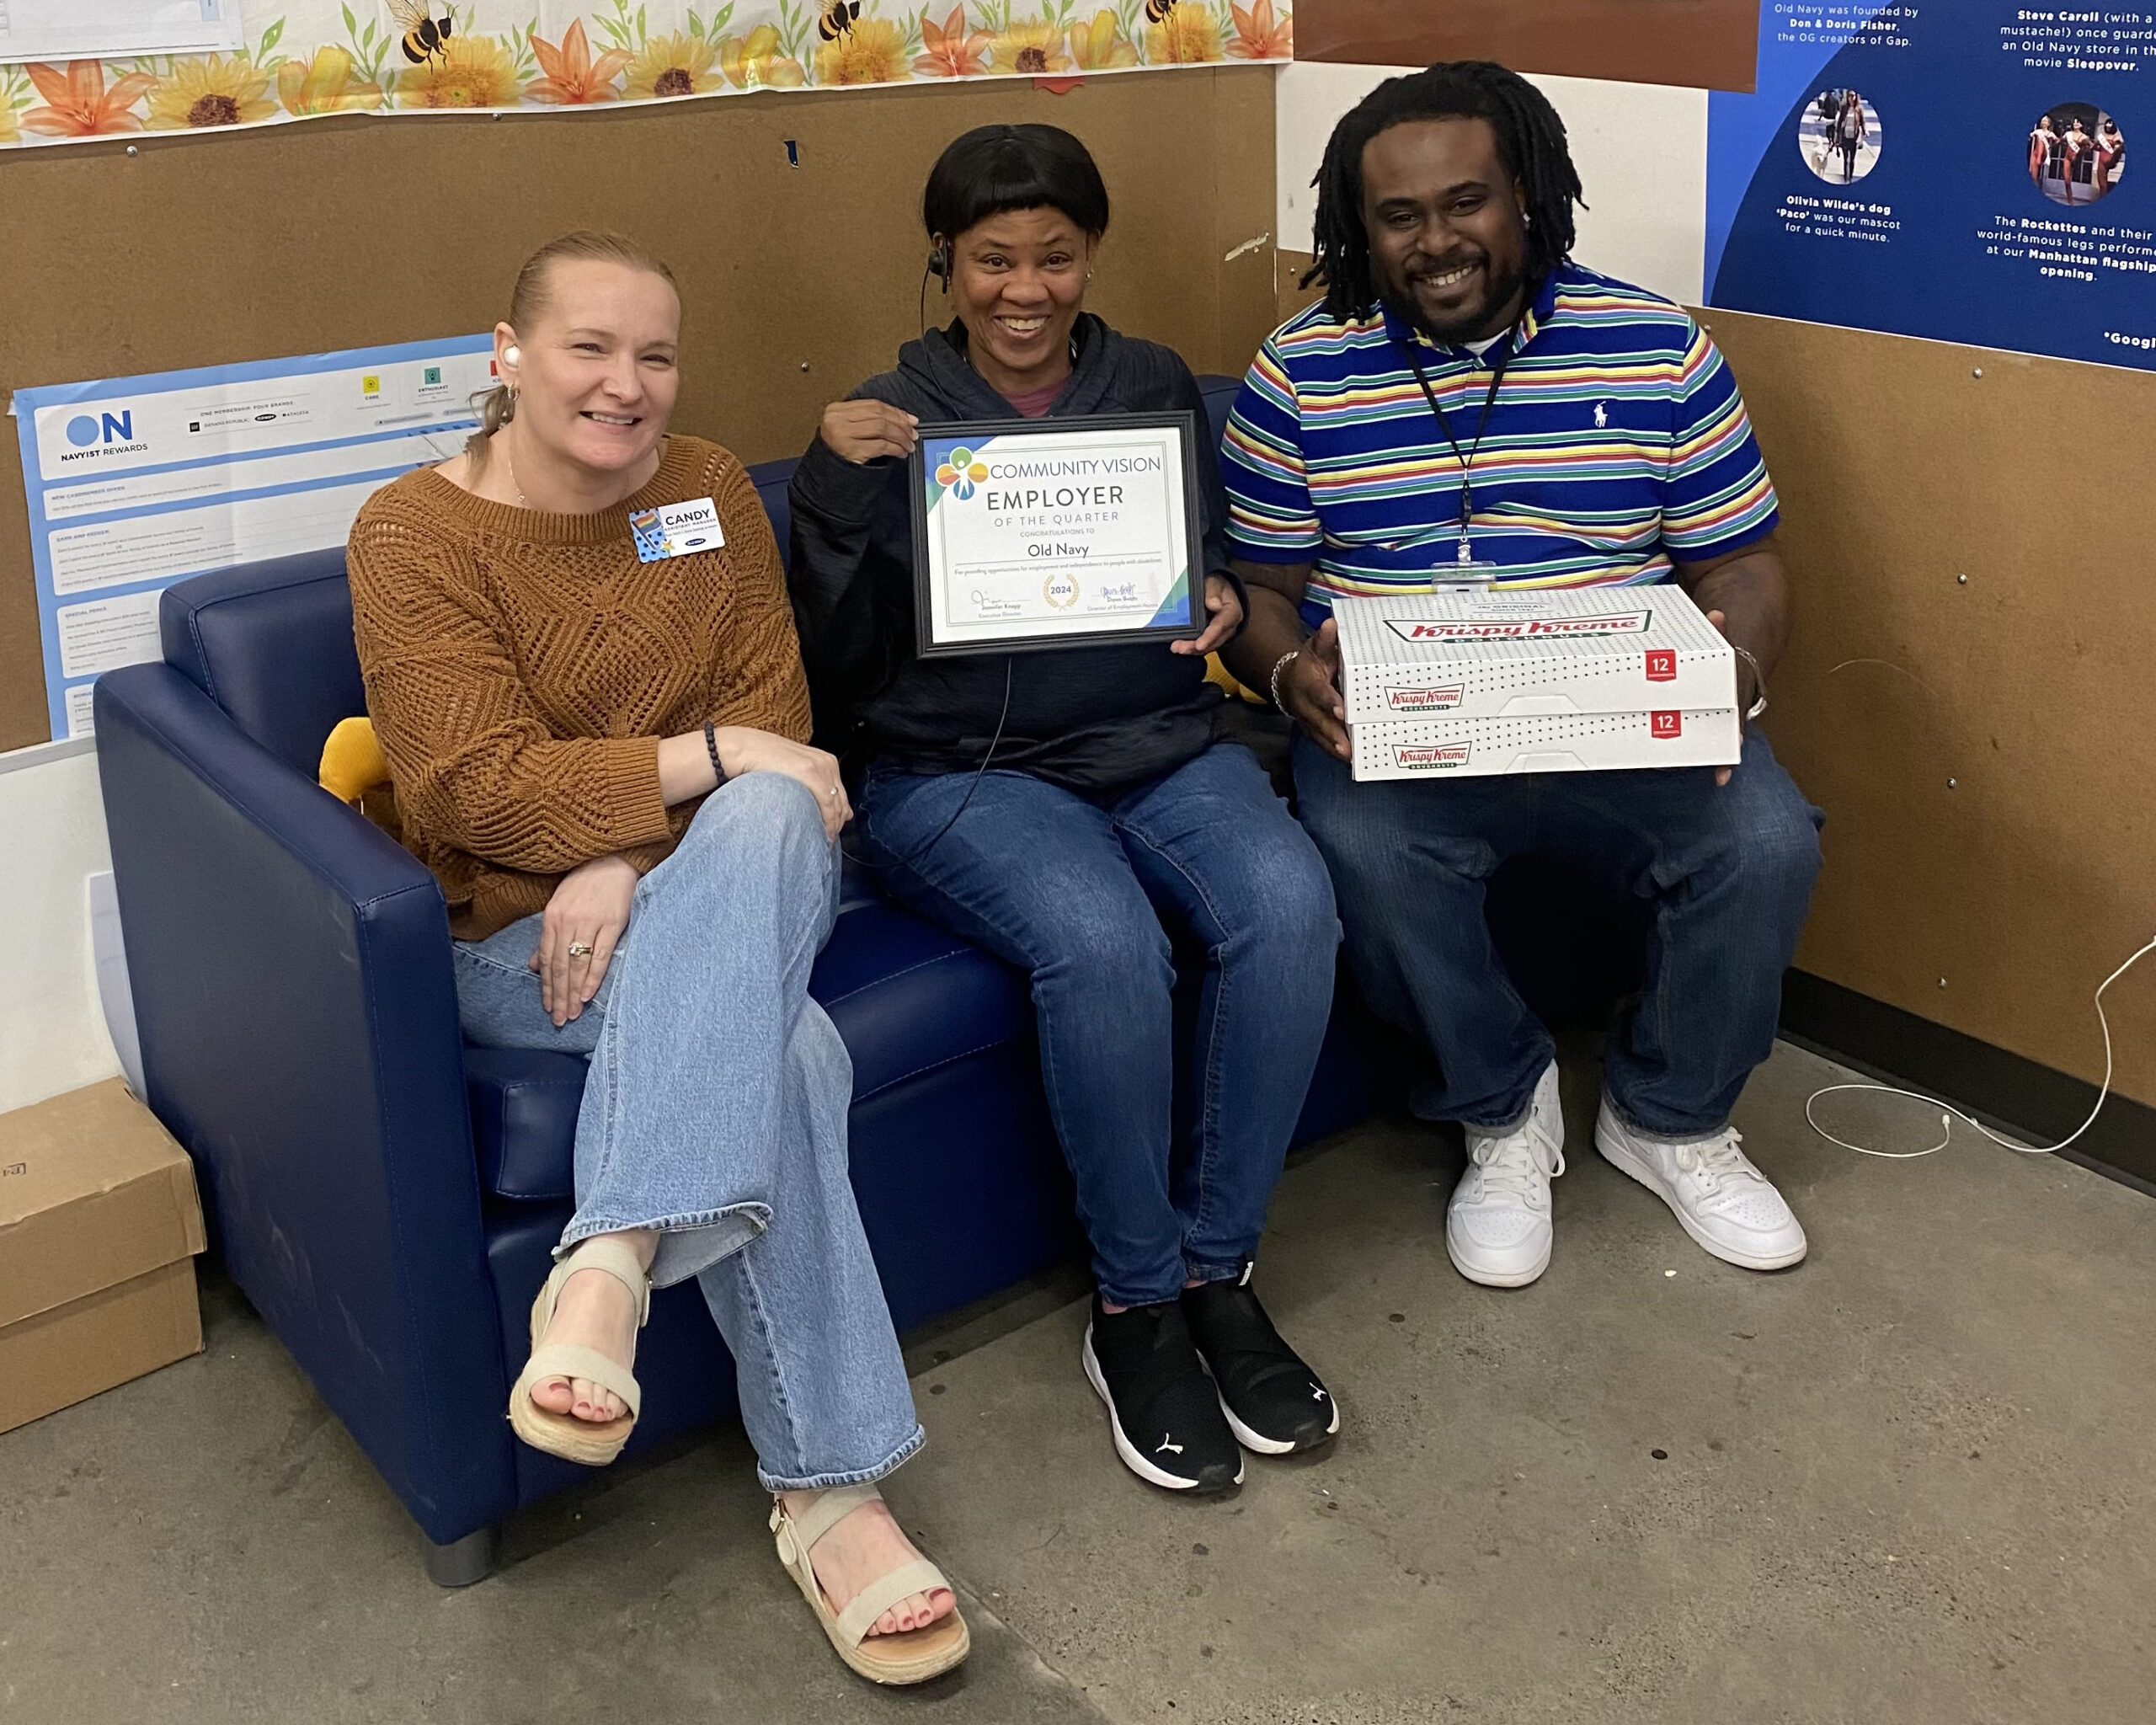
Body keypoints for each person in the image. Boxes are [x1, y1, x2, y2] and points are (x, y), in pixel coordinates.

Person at [346, 231, 967, 1685]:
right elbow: (468, 789)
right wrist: (698, 764)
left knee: (769, 800)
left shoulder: (703, 489)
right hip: (511, 936)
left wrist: (628, 847)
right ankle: (829, 1488)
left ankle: (614, 1251)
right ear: (507, 354)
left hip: (709, 878)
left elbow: (777, 726)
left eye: (657, 355)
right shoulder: (411, 534)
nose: (625, 386)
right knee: (793, 1045)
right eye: (587, 347)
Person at [788, 125, 1343, 1495]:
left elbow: (1198, 572)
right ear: (945, 263)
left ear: (1090, 257)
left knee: (1291, 899)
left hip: (1154, 737)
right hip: (954, 771)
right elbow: (836, 666)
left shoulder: (1148, 380)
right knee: (1102, 940)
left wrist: (1216, 598)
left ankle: (1222, 1265)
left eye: (1054, 255)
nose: (1023, 288)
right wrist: (832, 492)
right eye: (990, 259)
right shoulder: (887, 415)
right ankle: (1135, 1306)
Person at [1219, 63, 1823, 1290]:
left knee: (1766, 839)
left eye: (1468, 202)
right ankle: (1501, 1109)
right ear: (1358, 225)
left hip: (1624, 717)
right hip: (1406, 735)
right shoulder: (1300, 371)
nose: (1436, 241)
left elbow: (1746, 567)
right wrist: (1287, 674)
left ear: (1531, 199)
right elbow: (1260, 593)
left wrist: (1736, 676)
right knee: (1365, 854)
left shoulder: (1658, 351)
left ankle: (1671, 1120)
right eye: (1399, 216)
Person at [1836, 91, 1866, 183]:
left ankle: (1850, 178)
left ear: (1856, 97)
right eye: (1849, 96)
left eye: (1852, 96)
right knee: (1846, 159)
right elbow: (1840, 121)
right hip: (1845, 137)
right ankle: (1845, 177)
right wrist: (1837, 133)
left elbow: (1862, 122)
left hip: (1854, 138)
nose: (1850, 98)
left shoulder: (1859, 109)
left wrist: (1865, 131)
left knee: (1852, 159)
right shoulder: (1845, 108)